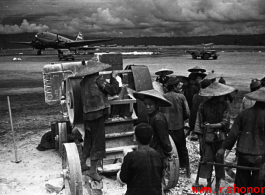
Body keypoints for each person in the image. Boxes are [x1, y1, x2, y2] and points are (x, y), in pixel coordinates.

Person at [77, 58, 120, 181]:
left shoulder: (83, 82)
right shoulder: (98, 80)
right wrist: (114, 77)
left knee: (88, 140)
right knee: (98, 142)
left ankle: (82, 163)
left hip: (87, 115)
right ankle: (92, 171)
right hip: (97, 115)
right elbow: (113, 90)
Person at [217, 87, 265, 195]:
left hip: (243, 152)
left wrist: (223, 148)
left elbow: (233, 133)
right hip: (260, 155)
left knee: (242, 178)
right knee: (258, 180)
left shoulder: (244, 114)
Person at [194, 82, 235, 194]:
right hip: (207, 137)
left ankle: (217, 184)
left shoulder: (225, 105)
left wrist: (211, 125)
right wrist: (200, 138)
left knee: (219, 161)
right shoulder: (203, 105)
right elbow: (199, 123)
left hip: (220, 137)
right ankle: (208, 182)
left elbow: (225, 122)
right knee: (207, 160)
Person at [117, 123, 164, 195]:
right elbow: (160, 176)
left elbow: (123, 179)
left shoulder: (130, 157)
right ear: (151, 137)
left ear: (135, 138)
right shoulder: (158, 156)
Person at [133, 89, 173, 169]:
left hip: (158, 153)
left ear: (156, 105)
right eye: (146, 104)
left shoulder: (158, 119)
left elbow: (164, 138)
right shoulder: (152, 116)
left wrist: (169, 152)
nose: (147, 107)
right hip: (152, 151)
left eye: (150, 104)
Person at [160, 77, 191, 178]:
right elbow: (187, 113)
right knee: (182, 148)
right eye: (178, 85)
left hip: (166, 127)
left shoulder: (163, 97)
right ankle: (187, 170)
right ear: (174, 86)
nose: (179, 87)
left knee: (167, 148)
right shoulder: (181, 97)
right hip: (178, 126)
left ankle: (168, 170)